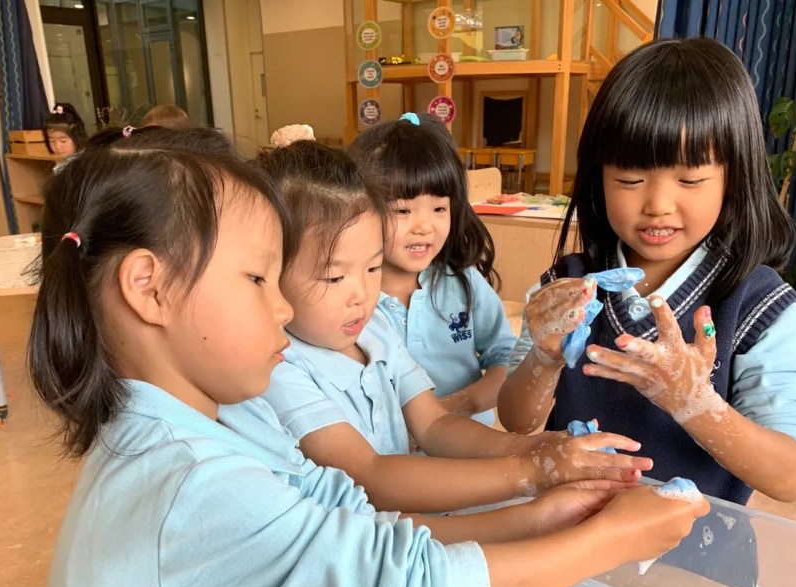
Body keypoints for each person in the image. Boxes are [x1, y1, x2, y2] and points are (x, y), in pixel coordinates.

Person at [29, 126, 708, 587]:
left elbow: (349, 527)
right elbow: (411, 580)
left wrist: (540, 511)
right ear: (150, 287)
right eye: (258, 279)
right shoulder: (192, 482)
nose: (284, 310)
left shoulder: (217, 420)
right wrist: (612, 537)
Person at [498, 37, 796, 507]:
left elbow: (792, 477)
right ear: (598, 177)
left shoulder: (757, 306)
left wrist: (693, 400)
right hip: (570, 546)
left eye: (690, 179)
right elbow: (517, 420)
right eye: (630, 179)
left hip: (696, 559)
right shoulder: (568, 286)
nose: (657, 205)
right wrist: (544, 358)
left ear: (733, 177)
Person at [251, 139, 655, 515]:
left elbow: (434, 424)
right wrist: (532, 472)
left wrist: (533, 447)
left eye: (373, 267)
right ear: (269, 274)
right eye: (334, 277)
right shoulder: (278, 368)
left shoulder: (372, 329)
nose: (362, 294)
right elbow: (370, 475)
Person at [348, 112, 514, 427]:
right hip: (394, 458)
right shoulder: (350, 297)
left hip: (470, 444)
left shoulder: (463, 281)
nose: (424, 227)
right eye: (402, 210)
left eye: (439, 208)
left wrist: (458, 406)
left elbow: (505, 357)